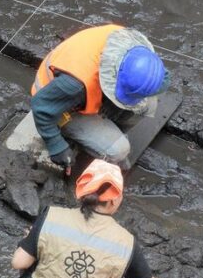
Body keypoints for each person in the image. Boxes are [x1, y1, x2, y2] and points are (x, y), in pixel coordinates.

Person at [9, 159, 168, 278]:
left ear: (81, 194)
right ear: (114, 199)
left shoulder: (51, 216)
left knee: (34, 253)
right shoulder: (126, 242)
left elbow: (19, 262)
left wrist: (31, 239)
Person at [31, 25, 168, 173]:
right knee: (119, 151)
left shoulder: (134, 47)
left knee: (148, 103)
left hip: (83, 88)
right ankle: (75, 136)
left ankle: (110, 129)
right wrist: (55, 145)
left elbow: (162, 79)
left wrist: (113, 102)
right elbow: (40, 105)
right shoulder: (75, 84)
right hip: (60, 103)